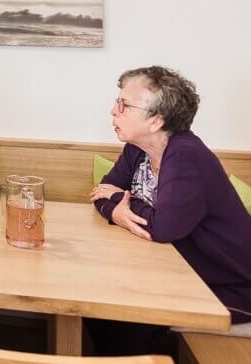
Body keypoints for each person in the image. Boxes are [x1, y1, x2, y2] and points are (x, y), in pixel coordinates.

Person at [88, 66, 251, 354]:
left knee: (123, 316)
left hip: (227, 287)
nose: (113, 111)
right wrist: (116, 212)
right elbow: (103, 190)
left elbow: (163, 228)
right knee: (100, 305)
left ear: (156, 120)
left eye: (124, 105)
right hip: (178, 274)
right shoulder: (138, 149)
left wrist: (122, 203)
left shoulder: (186, 155)